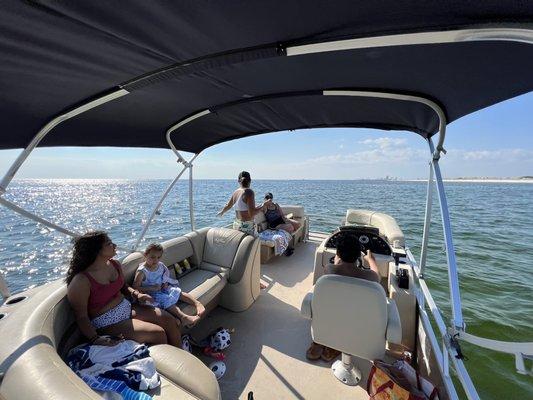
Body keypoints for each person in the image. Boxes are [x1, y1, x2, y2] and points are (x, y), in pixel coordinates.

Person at [66, 231, 182, 347]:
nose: (115, 245)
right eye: (109, 243)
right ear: (96, 250)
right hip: (107, 322)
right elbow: (81, 316)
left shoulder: (114, 264)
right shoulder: (81, 281)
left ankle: (182, 355)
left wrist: (137, 295)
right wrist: (95, 338)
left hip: (126, 307)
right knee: (158, 333)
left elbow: (123, 286)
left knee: (170, 320)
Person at [305, 234, 380, 362]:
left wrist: (337, 260)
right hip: (356, 319)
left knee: (333, 309)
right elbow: (377, 275)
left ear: (338, 254)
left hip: (331, 316)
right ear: (358, 256)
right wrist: (371, 260)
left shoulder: (329, 269)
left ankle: (319, 342)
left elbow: (336, 269)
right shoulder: (370, 277)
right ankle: (336, 346)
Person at [133, 243, 205, 327]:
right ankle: (183, 317)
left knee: (176, 291)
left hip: (162, 288)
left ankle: (197, 303)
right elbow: (135, 287)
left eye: (158, 257)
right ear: (145, 255)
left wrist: (165, 283)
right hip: (151, 293)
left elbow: (164, 276)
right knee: (165, 300)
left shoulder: (160, 265)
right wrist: (151, 288)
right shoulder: (142, 271)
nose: (156, 260)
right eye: (152, 257)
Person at [217, 171, 268, 236]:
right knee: (256, 243)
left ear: (238, 181)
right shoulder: (249, 192)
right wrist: (264, 205)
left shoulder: (236, 192)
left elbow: (228, 205)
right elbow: (252, 214)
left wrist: (222, 212)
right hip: (247, 227)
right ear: (250, 180)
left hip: (236, 225)